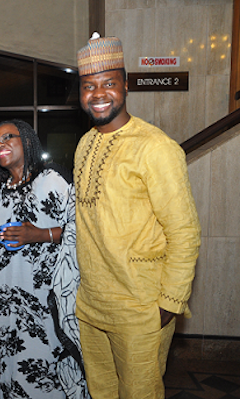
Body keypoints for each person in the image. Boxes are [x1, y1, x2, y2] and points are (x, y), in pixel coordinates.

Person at [74, 33, 201, 399]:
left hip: (140, 308)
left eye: (108, 83)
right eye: (88, 86)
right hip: (91, 306)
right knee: (100, 393)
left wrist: (170, 302)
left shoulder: (156, 148)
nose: (98, 94)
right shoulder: (85, 144)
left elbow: (184, 231)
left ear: (126, 85)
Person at [0, 119, 89, 399]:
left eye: (8, 137)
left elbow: (82, 229)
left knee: (44, 367)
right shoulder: (4, 188)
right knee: (12, 365)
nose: (0, 145)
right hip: (9, 298)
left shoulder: (51, 179)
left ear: (27, 140)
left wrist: (39, 234)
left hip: (45, 301)